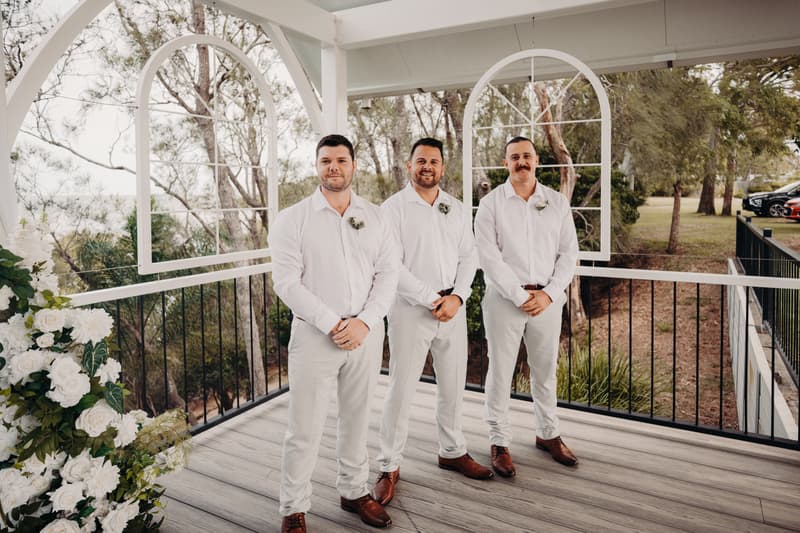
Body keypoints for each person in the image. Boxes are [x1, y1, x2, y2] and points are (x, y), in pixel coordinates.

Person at [270, 134, 398, 533]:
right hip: (314, 336)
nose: (333, 167)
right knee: (304, 427)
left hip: (365, 333)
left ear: (353, 165)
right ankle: (293, 507)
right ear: (317, 166)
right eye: (326, 160)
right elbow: (287, 283)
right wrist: (332, 323)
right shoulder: (293, 219)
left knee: (358, 419)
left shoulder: (376, 217)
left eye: (341, 160)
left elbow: (388, 275)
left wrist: (364, 322)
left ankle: (354, 490)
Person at [374, 138, 493, 506]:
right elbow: (392, 264)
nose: (428, 166)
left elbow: (468, 256)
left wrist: (458, 296)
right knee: (401, 389)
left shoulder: (454, 208)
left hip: (452, 310)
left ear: (443, 168)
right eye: (421, 161)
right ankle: (389, 465)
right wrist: (431, 299)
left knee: (453, 385)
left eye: (434, 161)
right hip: (411, 310)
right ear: (409, 166)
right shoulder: (391, 210)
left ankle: (452, 450)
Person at [474, 136, 579, 477]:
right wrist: (520, 296)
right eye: (515, 157)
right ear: (506, 163)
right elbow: (488, 257)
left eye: (527, 156)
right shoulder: (491, 204)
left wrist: (548, 294)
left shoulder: (557, 202)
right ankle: (499, 441)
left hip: (547, 299)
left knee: (545, 369)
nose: (522, 162)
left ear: (537, 161)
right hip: (505, 299)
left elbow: (568, 254)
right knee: (501, 371)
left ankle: (548, 434)